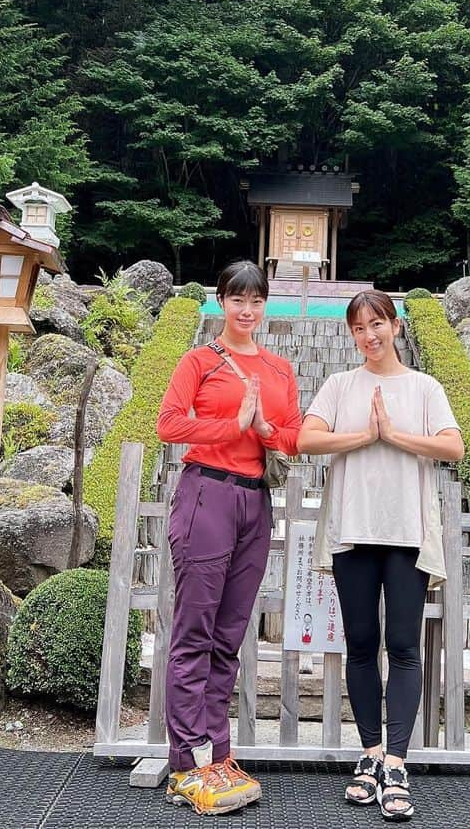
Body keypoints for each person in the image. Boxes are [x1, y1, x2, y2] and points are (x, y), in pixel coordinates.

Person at [298, 289, 464, 822]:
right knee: (362, 645)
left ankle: (397, 762)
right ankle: (369, 756)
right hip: (353, 528)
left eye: (377, 325)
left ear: (394, 325)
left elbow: (452, 447)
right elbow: (306, 439)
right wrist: (362, 436)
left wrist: (392, 434)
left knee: (404, 646)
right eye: (358, 329)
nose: (369, 337)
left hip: (407, 531)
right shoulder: (340, 384)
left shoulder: (423, 386)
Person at [156, 260, 301, 815]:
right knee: (195, 630)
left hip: (255, 501)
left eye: (256, 300)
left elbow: (293, 437)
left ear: (266, 306)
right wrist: (232, 427)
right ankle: (187, 764)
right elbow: (169, 424)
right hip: (206, 494)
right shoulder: (197, 360)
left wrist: (266, 431)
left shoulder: (280, 369)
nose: (247, 310)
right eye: (236, 299)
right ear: (220, 302)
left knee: (229, 634)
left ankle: (218, 754)